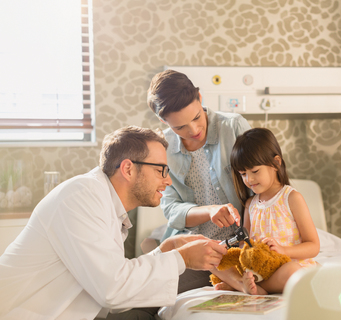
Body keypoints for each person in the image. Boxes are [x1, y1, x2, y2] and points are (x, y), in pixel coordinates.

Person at [0, 126, 227, 320]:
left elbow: (113, 281)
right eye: (160, 170)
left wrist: (164, 251)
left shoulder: (103, 203)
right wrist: (183, 258)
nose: (167, 180)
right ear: (128, 168)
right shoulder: (80, 197)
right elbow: (112, 291)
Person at [145, 69, 252, 292]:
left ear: (200, 98)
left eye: (196, 118)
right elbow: (172, 210)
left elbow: (261, 189)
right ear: (163, 120)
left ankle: (237, 281)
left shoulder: (233, 128)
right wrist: (209, 210)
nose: (193, 130)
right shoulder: (164, 147)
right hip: (194, 249)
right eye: (180, 127)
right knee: (148, 293)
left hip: (242, 244)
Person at [214, 127, 320, 295]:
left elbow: (313, 245)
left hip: (287, 268)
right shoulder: (250, 204)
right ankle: (246, 284)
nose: (249, 180)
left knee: (293, 271)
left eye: (255, 171)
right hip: (259, 271)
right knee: (214, 259)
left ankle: (256, 289)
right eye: (243, 174)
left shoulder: (291, 198)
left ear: (276, 163)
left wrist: (284, 250)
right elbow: (244, 245)